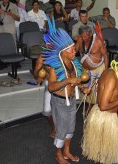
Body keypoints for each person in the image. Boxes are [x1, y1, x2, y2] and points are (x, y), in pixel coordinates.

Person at [82, 49, 118, 164]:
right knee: (111, 157)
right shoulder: (112, 78)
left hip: (103, 117)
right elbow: (103, 106)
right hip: (105, 117)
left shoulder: (109, 72)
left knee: (102, 153)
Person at [43, 17, 84, 164]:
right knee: (60, 130)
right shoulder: (55, 67)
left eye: (74, 48)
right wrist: (67, 80)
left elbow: (75, 81)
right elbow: (51, 87)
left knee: (71, 128)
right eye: (71, 49)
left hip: (72, 100)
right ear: (63, 52)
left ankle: (66, 150)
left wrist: (82, 86)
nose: (74, 51)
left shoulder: (74, 63)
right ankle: (58, 153)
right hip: (59, 102)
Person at [75, 25, 108, 113]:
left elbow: (105, 55)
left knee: (96, 91)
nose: (83, 38)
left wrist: (106, 71)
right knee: (86, 89)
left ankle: (95, 108)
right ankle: (89, 105)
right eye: (81, 36)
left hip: (98, 69)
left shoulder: (97, 41)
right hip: (85, 70)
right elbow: (74, 51)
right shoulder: (80, 39)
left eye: (85, 36)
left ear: (90, 34)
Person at [33, 54, 55, 138]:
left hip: (62, 84)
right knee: (47, 110)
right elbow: (36, 74)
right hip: (49, 84)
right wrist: (38, 75)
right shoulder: (42, 56)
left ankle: (61, 129)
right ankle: (54, 128)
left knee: (61, 110)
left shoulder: (63, 51)